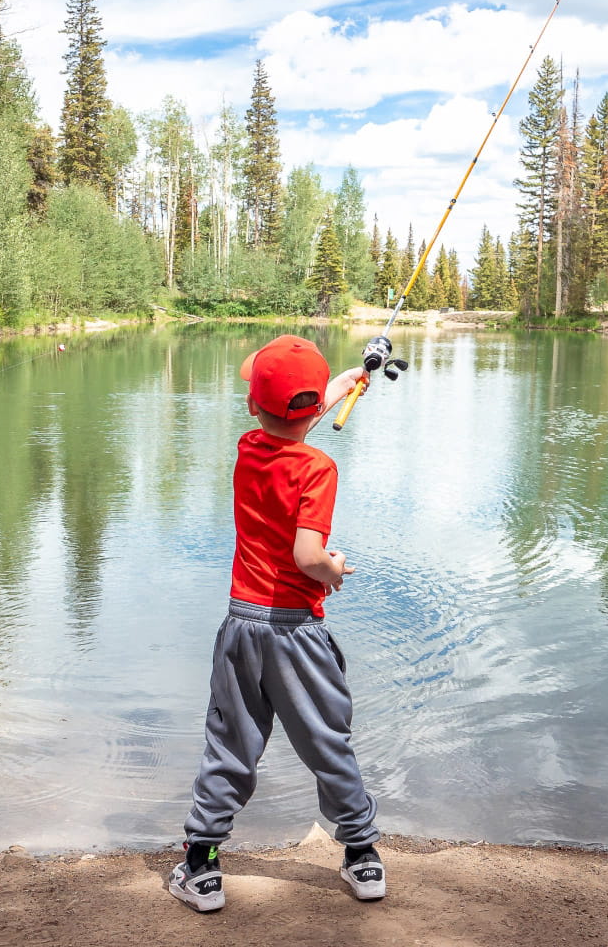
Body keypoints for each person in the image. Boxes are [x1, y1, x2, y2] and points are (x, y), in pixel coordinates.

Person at [169, 333, 385, 913]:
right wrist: (332, 571)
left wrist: (349, 378)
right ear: (317, 411)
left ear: (252, 406)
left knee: (231, 745)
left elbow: (287, 421)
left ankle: (202, 868)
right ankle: (361, 856)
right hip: (299, 631)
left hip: (244, 624)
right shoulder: (319, 469)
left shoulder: (247, 447)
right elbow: (307, 556)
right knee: (326, 743)